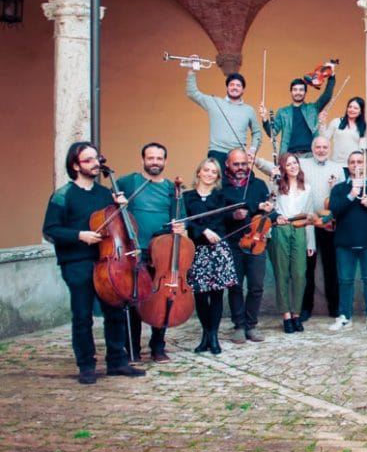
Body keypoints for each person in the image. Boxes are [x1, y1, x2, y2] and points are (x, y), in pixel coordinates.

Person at [43, 142, 146, 384]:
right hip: (77, 262)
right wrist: (80, 235)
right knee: (82, 315)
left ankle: (117, 361)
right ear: (75, 165)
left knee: (115, 310)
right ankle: (86, 365)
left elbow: (118, 228)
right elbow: (50, 230)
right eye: (88, 160)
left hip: (109, 261)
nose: (95, 164)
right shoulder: (63, 195)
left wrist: (121, 208)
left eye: (96, 159)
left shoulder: (104, 194)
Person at [117, 142, 177, 363]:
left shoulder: (171, 188)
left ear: (165, 161)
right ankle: (132, 347)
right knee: (134, 301)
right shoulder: (129, 182)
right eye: (150, 158)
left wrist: (179, 227)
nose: (155, 162)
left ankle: (158, 346)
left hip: (161, 252)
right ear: (143, 159)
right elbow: (111, 207)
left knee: (161, 299)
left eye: (159, 158)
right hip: (134, 251)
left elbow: (178, 218)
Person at [327, 150, 367, 331]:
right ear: (348, 166)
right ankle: (344, 316)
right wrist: (351, 196)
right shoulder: (339, 189)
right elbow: (334, 209)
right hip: (345, 242)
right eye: (352, 162)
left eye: (359, 162)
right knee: (345, 280)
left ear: (365, 164)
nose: (356, 165)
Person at [183, 157, 238, 355]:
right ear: (199, 172)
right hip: (197, 249)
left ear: (217, 177)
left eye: (213, 172)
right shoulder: (187, 197)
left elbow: (240, 211)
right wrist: (204, 231)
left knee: (216, 295)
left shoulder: (222, 197)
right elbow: (185, 221)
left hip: (218, 250)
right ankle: (206, 333)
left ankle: (213, 336)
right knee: (200, 295)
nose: (209, 174)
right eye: (206, 170)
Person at [221, 148, 275, 344]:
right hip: (233, 244)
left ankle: (251, 325)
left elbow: (266, 212)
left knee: (256, 286)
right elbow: (219, 212)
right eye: (236, 164)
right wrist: (232, 215)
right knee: (235, 287)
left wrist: (273, 213)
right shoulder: (221, 186)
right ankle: (239, 326)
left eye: (244, 164)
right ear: (227, 164)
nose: (241, 168)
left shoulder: (258, 184)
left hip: (256, 242)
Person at [270, 153, 316, 334]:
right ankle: (286, 315)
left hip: (299, 228)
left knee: (299, 273)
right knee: (282, 273)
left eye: (294, 163)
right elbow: (269, 205)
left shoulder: (307, 188)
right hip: (281, 229)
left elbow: (309, 214)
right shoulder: (277, 186)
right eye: (288, 164)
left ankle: (297, 313)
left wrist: (311, 243)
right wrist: (272, 179)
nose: (292, 166)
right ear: (283, 168)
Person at [298, 137, 342, 324]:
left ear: (329, 148)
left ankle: (335, 307)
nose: (321, 150)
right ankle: (305, 308)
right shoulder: (302, 164)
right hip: (307, 223)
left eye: (325, 147)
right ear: (312, 148)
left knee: (331, 266)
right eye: (318, 147)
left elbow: (341, 197)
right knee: (307, 267)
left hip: (328, 223)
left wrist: (334, 188)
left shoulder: (337, 168)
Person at [186, 70, 261, 164]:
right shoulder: (214, 102)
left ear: (243, 90)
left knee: (250, 175)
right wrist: (192, 71)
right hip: (217, 152)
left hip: (239, 154)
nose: (235, 87)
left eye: (238, 85)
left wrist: (253, 149)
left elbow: (257, 132)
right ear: (227, 87)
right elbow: (192, 93)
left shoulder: (249, 110)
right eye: (231, 85)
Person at [260, 75, 336, 158]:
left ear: (305, 92)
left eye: (301, 90)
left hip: (311, 154)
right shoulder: (283, 112)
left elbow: (327, 95)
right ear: (291, 92)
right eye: (295, 90)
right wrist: (264, 118)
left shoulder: (313, 108)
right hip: (290, 156)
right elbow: (272, 133)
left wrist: (331, 77)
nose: (298, 92)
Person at [319, 96, 366, 168]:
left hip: (354, 165)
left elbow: (362, 148)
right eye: (350, 107)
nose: (352, 110)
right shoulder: (336, 122)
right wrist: (322, 123)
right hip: (336, 164)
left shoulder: (363, 126)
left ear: (360, 111)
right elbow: (325, 138)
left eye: (355, 108)